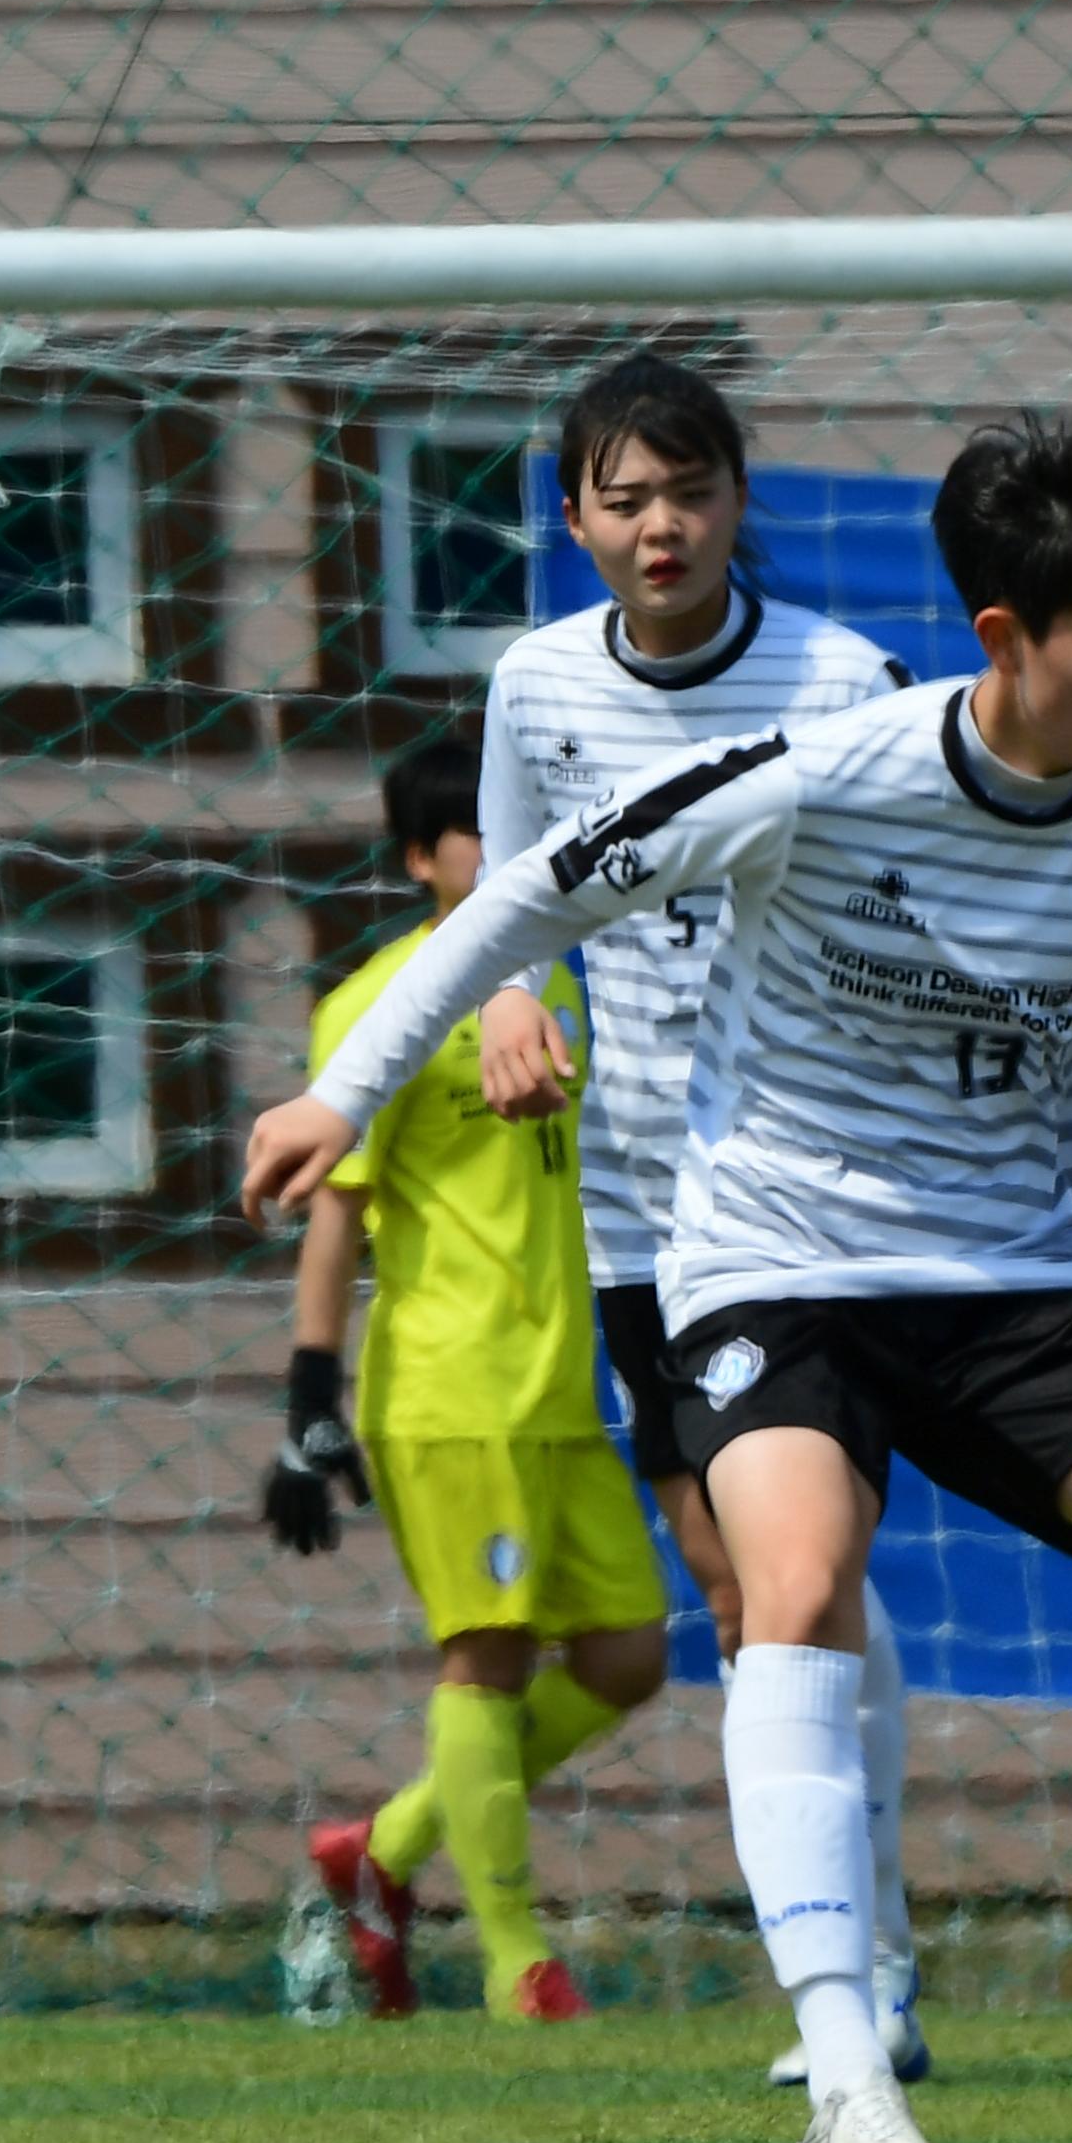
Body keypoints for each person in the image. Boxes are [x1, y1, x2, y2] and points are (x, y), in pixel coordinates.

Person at [254, 421, 1072, 2143]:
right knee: (793, 1583)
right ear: (1006, 637)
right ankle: (850, 2067)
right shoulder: (820, 770)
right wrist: (352, 1096)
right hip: (777, 1266)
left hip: (1023, 1281)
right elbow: (529, 892)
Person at [468, 350, 929, 2086]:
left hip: (820, 1193)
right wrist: (516, 1007)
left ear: (741, 502)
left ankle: (864, 1977)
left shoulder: (844, 677)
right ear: (577, 518)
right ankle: (854, 1967)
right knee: (748, 1599)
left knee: (800, 1584)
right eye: (626, 497)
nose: (662, 525)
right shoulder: (534, 686)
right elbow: (515, 899)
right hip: (639, 1212)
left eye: (693, 490)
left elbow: (932, 902)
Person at [277, 723, 675, 2023]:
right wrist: (307, 1404)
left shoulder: (561, 981)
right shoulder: (375, 1004)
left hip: (562, 1388)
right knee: (487, 1657)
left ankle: (381, 1855)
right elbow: (334, 1213)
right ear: (419, 860)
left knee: (627, 1654)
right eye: (477, 833)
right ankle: (513, 1959)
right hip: (446, 1389)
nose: (506, 850)